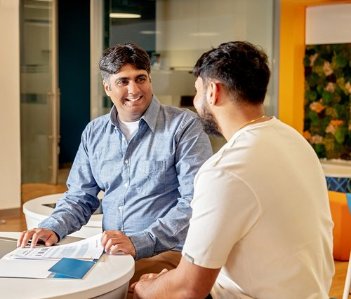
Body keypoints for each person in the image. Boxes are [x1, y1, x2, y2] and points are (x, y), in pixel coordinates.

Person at [132, 41, 335, 299]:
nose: (195, 102)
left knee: (135, 288)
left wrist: (145, 288)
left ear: (213, 92)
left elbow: (188, 289)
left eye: (197, 91)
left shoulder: (224, 170)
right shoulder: (294, 140)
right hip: (312, 292)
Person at [17, 43, 212, 284]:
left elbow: (195, 202)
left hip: (168, 252)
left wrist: (139, 242)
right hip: (110, 253)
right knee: (47, 283)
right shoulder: (94, 132)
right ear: (107, 87)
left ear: (150, 79)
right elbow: (80, 197)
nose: (134, 89)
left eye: (141, 78)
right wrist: (52, 228)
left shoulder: (183, 126)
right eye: (123, 81)